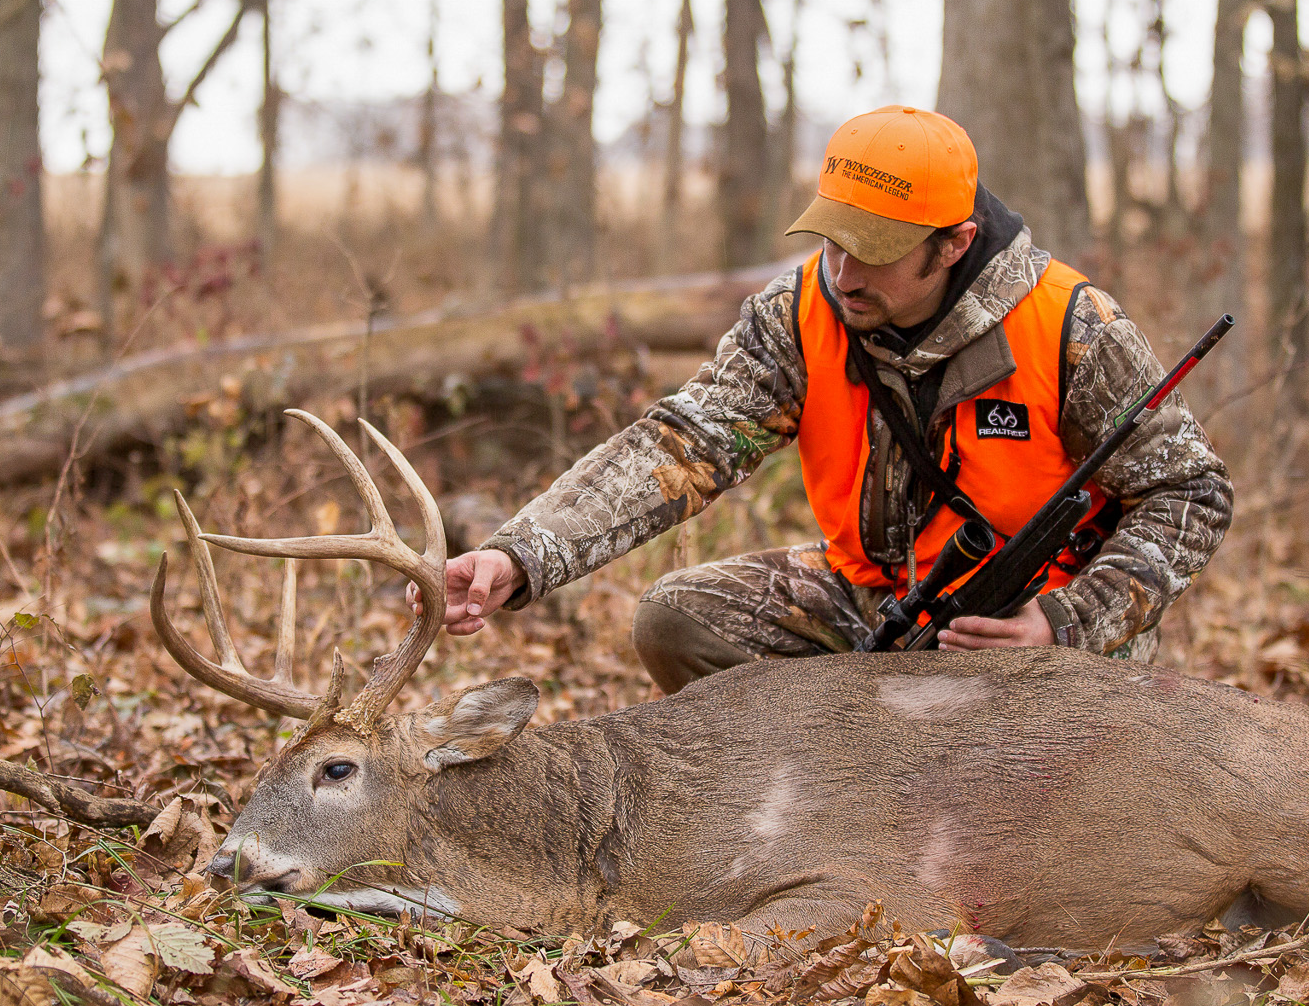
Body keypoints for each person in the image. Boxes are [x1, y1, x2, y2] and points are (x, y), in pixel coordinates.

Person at [417, 106, 1233, 691]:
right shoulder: (801, 311)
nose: (843, 273)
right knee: (678, 621)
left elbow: (1191, 491)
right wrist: (521, 555)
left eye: (874, 251)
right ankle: (806, 811)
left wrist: (1066, 620)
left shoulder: (1070, 327)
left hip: (1025, 630)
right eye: (834, 238)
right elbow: (682, 444)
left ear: (953, 243)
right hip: (875, 598)